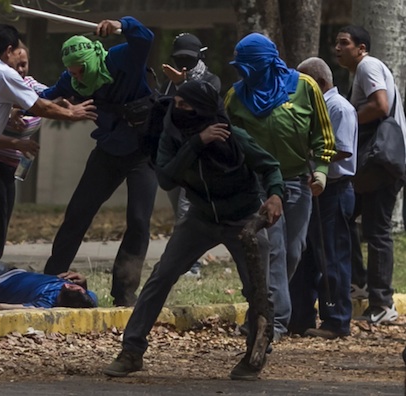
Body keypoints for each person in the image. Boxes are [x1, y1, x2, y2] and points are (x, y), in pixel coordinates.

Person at [103, 80, 284, 381]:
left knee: (258, 290)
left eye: (187, 105)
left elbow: (270, 166)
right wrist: (197, 142)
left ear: (204, 108)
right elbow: (166, 178)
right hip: (199, 219)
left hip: (242, 220)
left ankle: (255, 354)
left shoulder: (234, 137)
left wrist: (276, 194)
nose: (179, 109)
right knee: (161, 277)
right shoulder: (171, 137)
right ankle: (131, 351)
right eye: (177, 103)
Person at [0, 24, 96, 309]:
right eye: (18, 57)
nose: (20, 66)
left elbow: (34, 102)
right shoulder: (1, 72)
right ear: (8, 51)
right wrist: (71, 113)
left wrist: (53, 103)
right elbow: (38, 106)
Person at [224, 33, 336, 340]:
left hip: (297, 182)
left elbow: (322, 133)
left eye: (250, 66)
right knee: (271, 251)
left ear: (268, 63)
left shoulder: (304, 87)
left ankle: (259, 312)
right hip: (259, 184)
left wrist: (322, 170)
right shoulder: (236, 97)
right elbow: (228, 142)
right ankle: (273, 322)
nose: (244, 72)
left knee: (293, 252)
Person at [41, 17, 158, 308]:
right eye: (72, 73)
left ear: (90, 60)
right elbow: (43, 98)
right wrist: (17, 105)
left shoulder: (122, 58)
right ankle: (50, 282)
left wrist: (121, 24)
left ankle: (124, 291)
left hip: (143, 152)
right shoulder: (71, 79)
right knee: (77, 214)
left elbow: (145, 37)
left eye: (79, 72)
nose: (77, 79)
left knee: (139, 221)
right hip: (108, 151)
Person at [335, 25, 406, 324]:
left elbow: (380, 105)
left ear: (361, 48)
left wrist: (346, 118)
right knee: (344, 217)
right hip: (373, 164)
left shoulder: (368, 65)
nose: (337, 48)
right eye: (335, 43)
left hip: (381, 164)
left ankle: (382, 303)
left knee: (377, 231)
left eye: (344, 43)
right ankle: (360, 284)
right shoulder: (360, 71)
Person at [288, 57, 358, 339]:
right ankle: (299, 316)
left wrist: (307, 155)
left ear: (319, 82)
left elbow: (340, 149)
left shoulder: (338, 108)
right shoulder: (314, 107)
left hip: (334, 189)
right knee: (306, 256)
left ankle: (336, 319)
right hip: (313, 187)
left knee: (332, 255)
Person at [161, 32, 222, 278]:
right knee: (181, 210)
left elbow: (203, 105)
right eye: (179, 58)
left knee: (187, 212)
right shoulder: (169, 81)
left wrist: (181, 85)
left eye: (188, 58)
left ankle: (190, 266)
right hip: (175, 156)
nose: (183, 64)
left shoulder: (211, 80)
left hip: (198, 157)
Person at [0, 43, 46, 260]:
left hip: (12, 167)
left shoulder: (29, 85)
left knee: (2, 220)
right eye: (15, 65)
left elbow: (48, 96)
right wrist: (12, 113)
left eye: (24, 64)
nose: (20, 70)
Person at [0, 256, 97, 310]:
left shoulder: (43, 305)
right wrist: (84, 283)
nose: (65, 283)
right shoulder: (90, 299)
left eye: (68, 287)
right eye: (80, 289)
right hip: (4, 271)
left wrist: (28, 309)